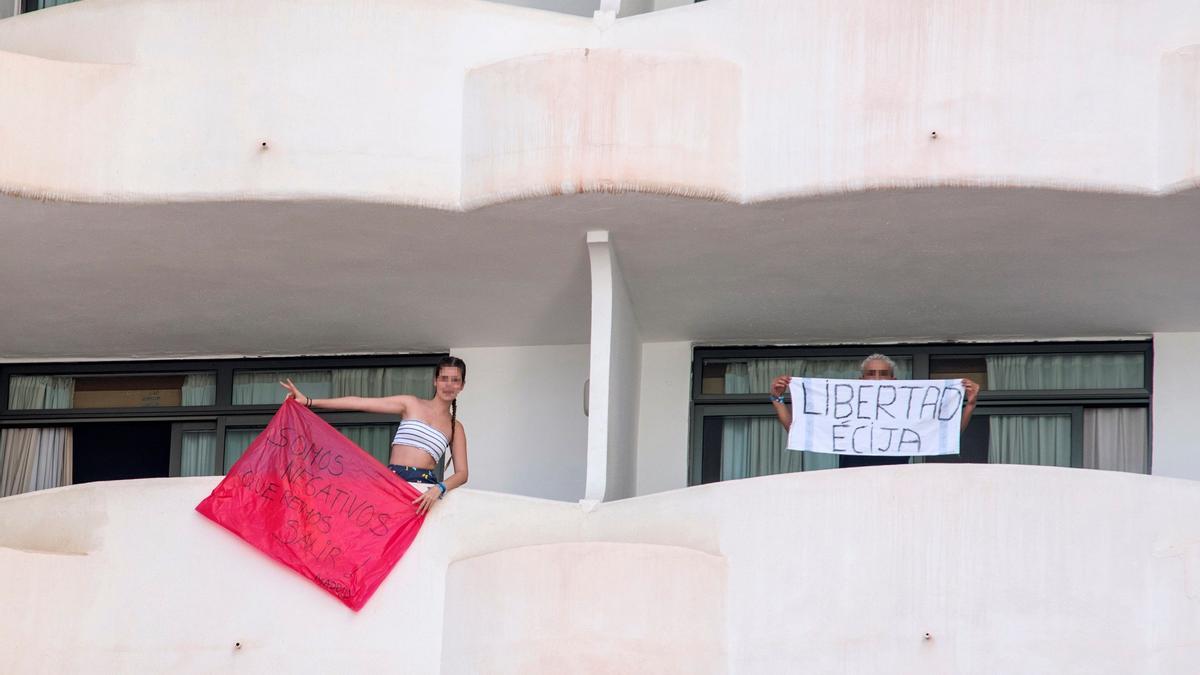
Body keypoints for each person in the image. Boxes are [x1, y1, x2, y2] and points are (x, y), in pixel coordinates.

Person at [279, 356, 468, 514]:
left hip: (424, 490)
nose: (449, 385)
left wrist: (440, 488)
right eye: (444, 378)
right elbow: (359, 403)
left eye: (455, 380)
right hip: (393, 481)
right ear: (435, 381)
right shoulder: (411, 404)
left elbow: (462, 473)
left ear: (462, 385)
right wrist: (310, 401)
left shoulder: (455, 427)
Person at [769, 353, 980, 432]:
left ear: (893, 380)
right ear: (861, 380)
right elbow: (800, 432)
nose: (877, 379)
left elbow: (946, 434)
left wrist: (969, 405)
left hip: (897, 484)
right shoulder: (843, 405)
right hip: (852, 482)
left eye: (883, 374)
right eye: (871, 374)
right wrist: (778, 399)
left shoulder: (908, 407)